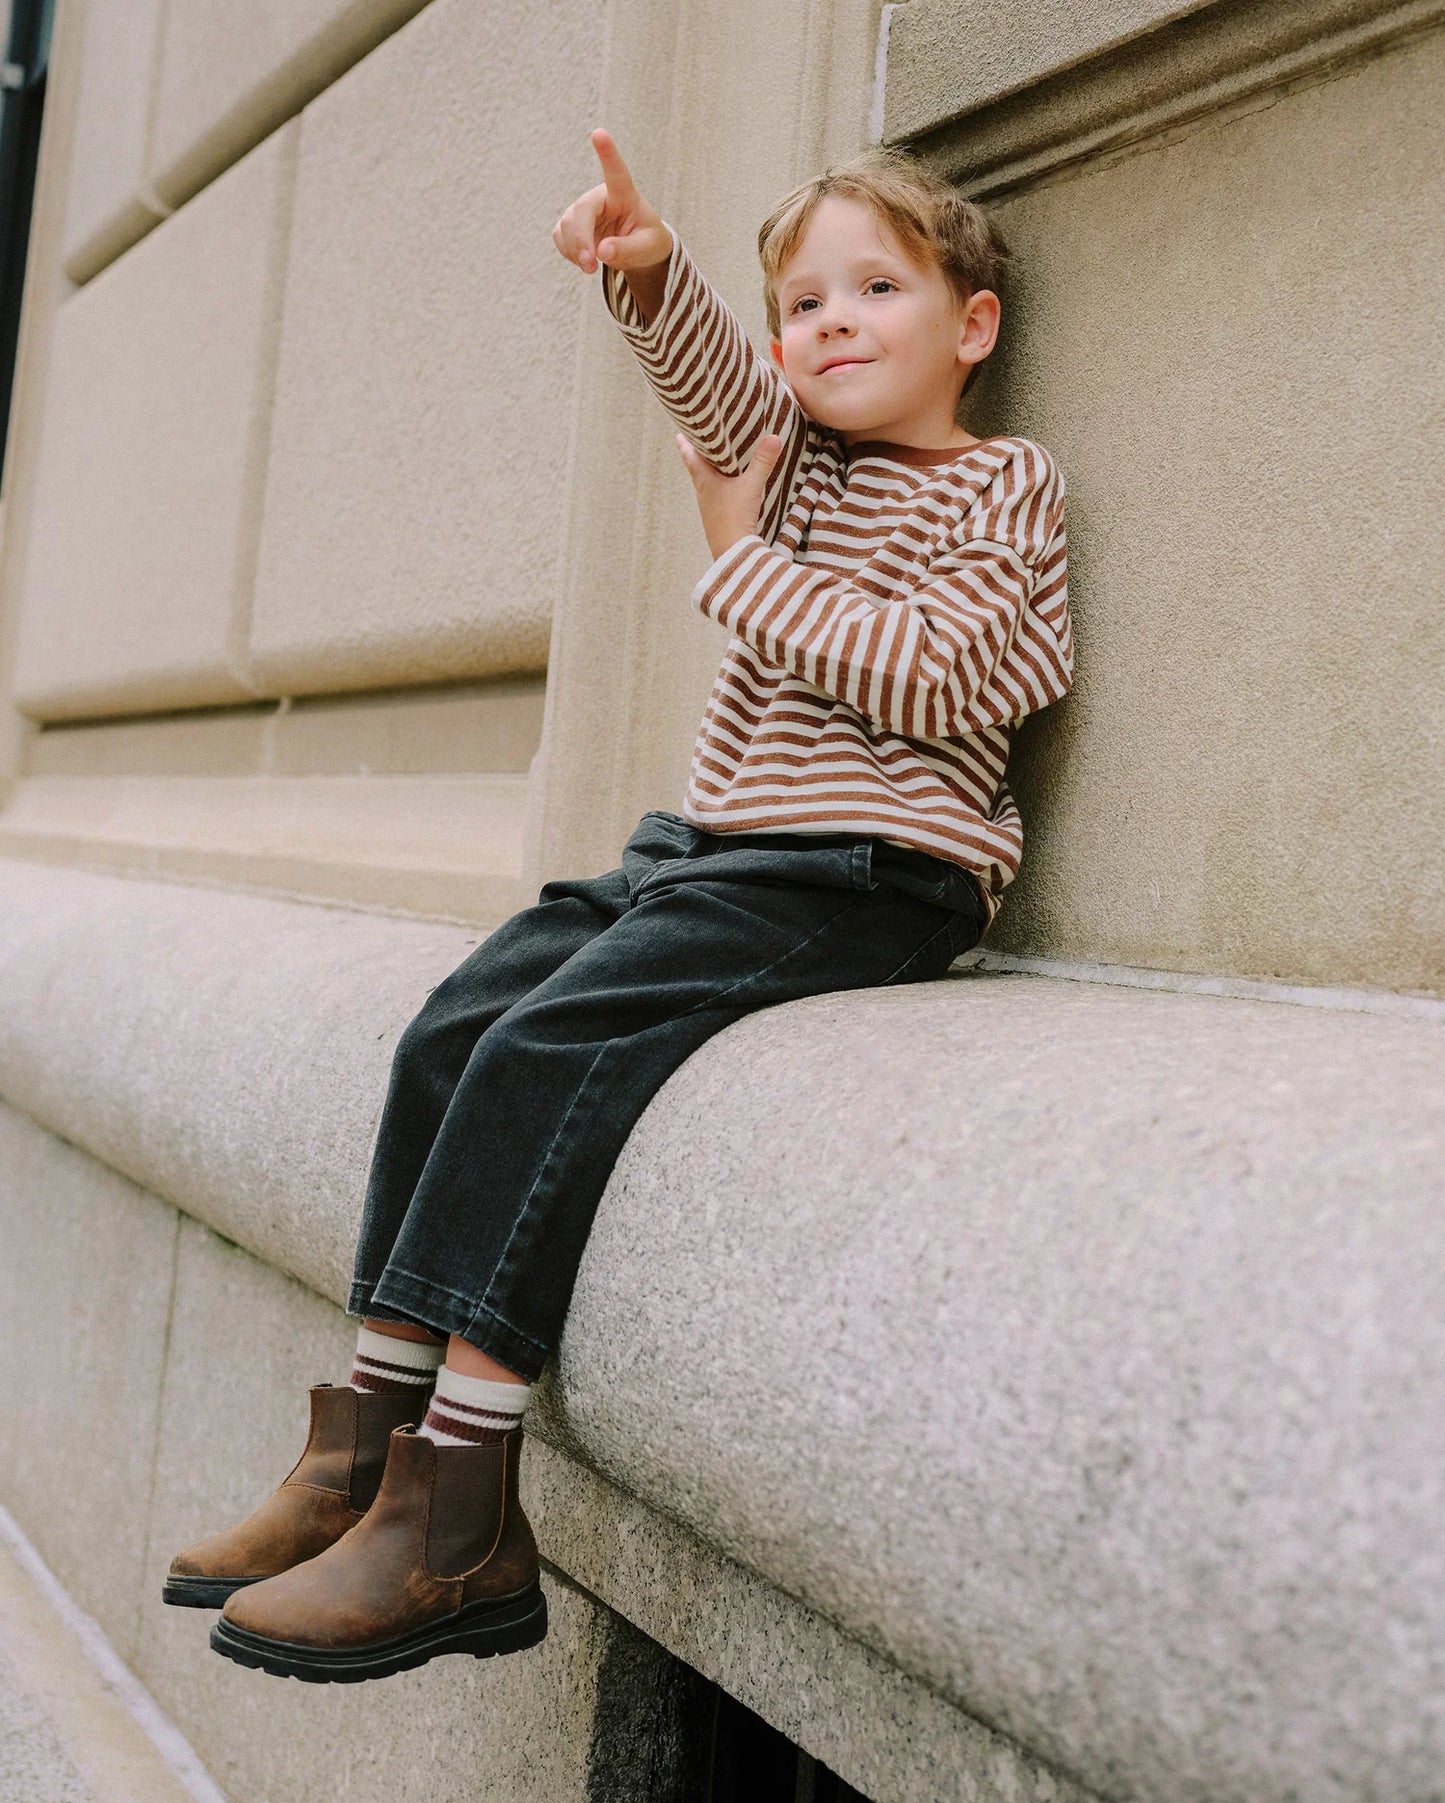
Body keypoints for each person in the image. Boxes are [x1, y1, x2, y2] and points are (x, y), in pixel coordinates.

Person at [163, 128, 1072, 1684]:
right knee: (460, 1023)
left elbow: (948, 683)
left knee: (550, 1048)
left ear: (968, 324)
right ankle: (364, 1445)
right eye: (803, 303)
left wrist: (735, 563)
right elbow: (713, 386)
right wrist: (650, 272)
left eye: (875, 288)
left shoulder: (1000, 488)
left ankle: (459, 1507)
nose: (829, 320)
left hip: (868, 866)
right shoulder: (792, 457)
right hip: (712, 845)